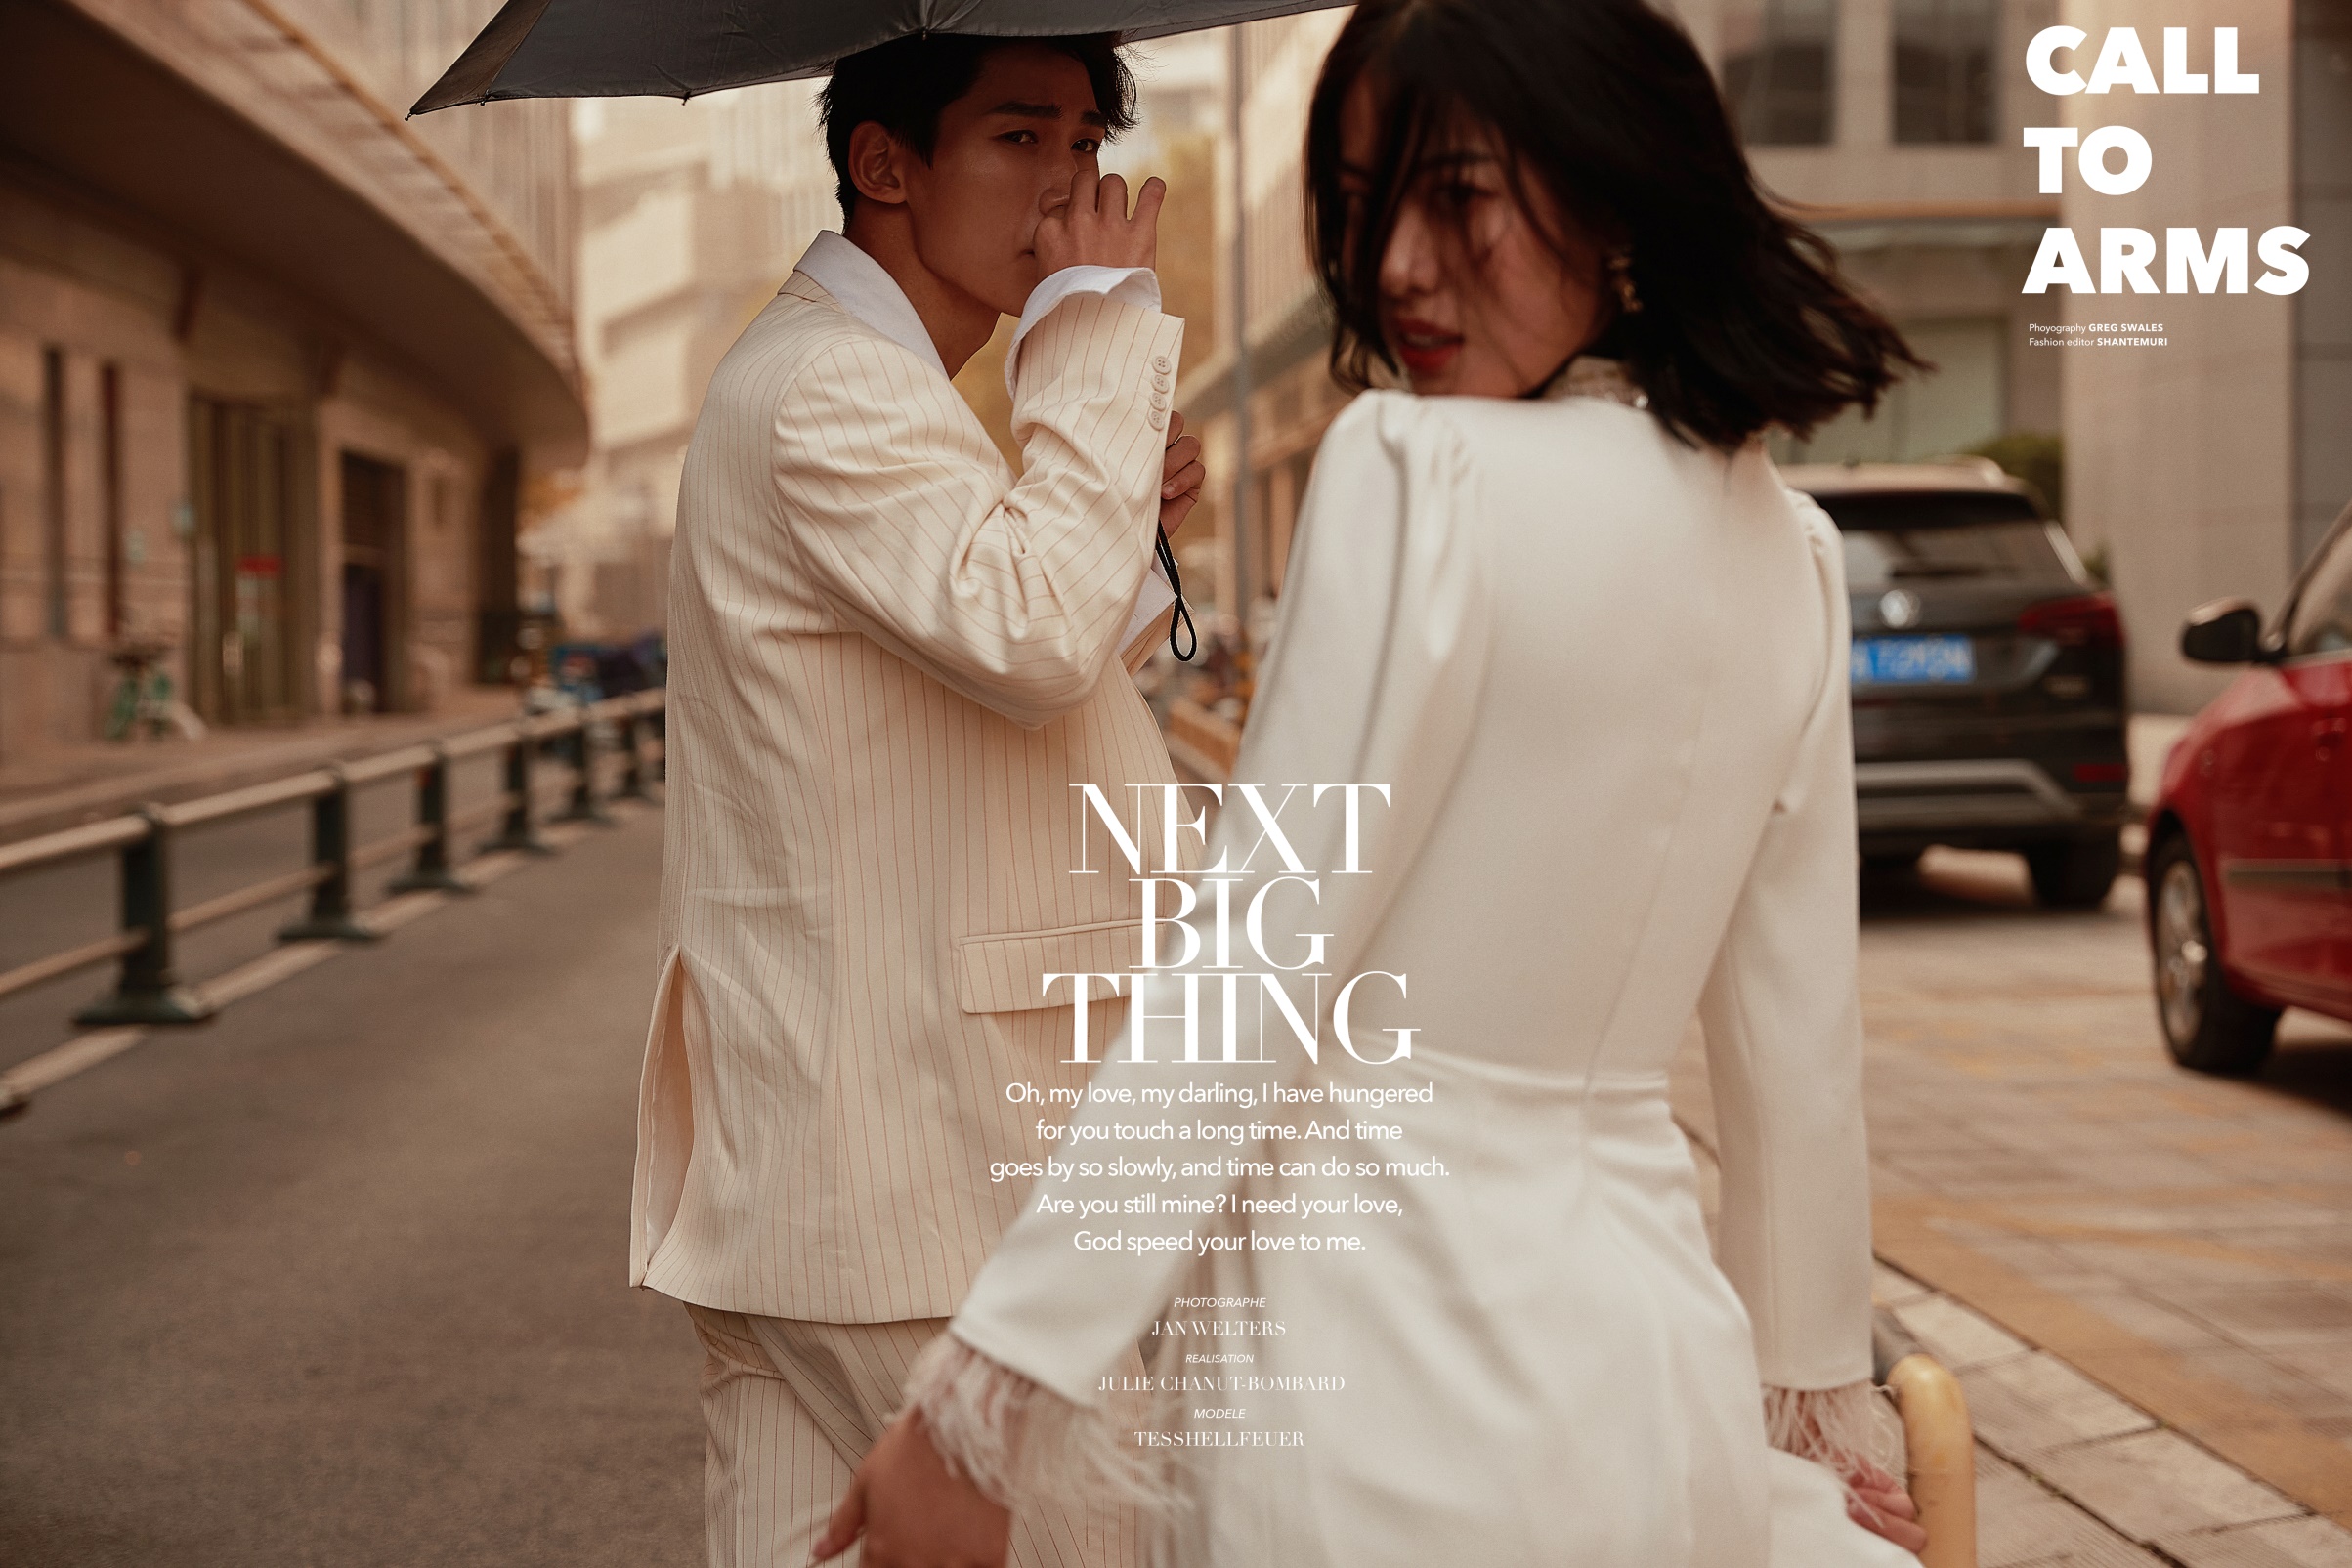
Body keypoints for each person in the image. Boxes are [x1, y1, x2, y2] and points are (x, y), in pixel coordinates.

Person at [814, 2, 1942, 1565]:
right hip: (1655, 1385)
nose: (1398, 263)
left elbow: (1251, 968)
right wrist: (1813, 1395)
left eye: (1457, 196)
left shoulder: (1415, 473)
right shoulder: (1792, 550)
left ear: (1613, 192)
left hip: (1377, 1374)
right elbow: (1798, 1043)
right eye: (1362, 205)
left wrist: (990, 1397)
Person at [630, 31, 1207, 1568]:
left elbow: (1005, 667)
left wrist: (1116, 494)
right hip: (916, 1187)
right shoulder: (832, 387)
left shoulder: (866, 382)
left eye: (1085, 143)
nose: (1067, 189)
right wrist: (1096, 336)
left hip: (836, 1186)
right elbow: (1031, 634)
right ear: (884, 164)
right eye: (1019, 138)